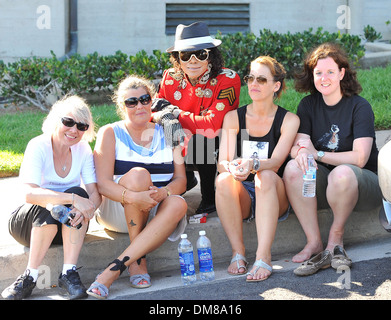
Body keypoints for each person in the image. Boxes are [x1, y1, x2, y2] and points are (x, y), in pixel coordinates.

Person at [283, 42, 382, 275]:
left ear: (341, 73)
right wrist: (300, 153)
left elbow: (359, 158)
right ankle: (314, 243)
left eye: (330, 71)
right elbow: (299, 146)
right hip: (327, 184)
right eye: (318, 73)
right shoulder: (308, 105)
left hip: (362, 186)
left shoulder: (360, 106)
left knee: (343, 171)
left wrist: (316, 153)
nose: (323, 78)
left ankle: (335, 239)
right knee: (292, 169)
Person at [88, 75, 187, 299]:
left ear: (151, 101)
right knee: (139, 176)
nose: (139, 106)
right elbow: (102, 184)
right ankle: (136, 263)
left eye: (144, 99)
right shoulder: (110, 132)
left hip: (154, 210)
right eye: (131, 102)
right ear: (121, 107)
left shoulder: (169, 131)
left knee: (178, 203)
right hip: (118, 209)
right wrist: (133, 198)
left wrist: (164, 192)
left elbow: (181, 181)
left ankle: (117, 266)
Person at [1, 95, 101, 300]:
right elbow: (30, 194)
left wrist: (87, 209)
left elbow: (94, 194)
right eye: (68, 122)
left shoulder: (83, 150)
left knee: (79, 195)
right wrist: (72, 199)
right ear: (56, 120)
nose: (74, 130)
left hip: (66, 224)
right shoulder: (38, 145)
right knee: (51, 203)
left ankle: (68, 273)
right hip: (28, 225)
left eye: (81, 126)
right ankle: (30, 276)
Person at [215, 56, 299, 281]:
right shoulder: (234, 117)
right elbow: (222, 162)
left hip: (273, 194)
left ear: (276, 85)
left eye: (261, 79)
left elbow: (277, 162)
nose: (253, 84)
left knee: (266, 175)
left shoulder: (288, 120)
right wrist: (233, 168)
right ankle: (238, 252)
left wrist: (253, 164)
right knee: (222, 180)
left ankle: (263, 256)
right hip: (242, 193)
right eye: (250, 78)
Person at [153, 21, 241, 215]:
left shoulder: (227, 78)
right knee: (158, 130)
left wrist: (175, 113)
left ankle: (209, 199)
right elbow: (154, 108)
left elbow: (212, 124)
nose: (193, 61)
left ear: (211, 55)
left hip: (217, 145)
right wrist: (164, 115)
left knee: (203, 138)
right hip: (181, 141)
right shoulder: (170, 77)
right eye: (185, 55)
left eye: (201, 54)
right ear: (177, 58)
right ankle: (186, 177)